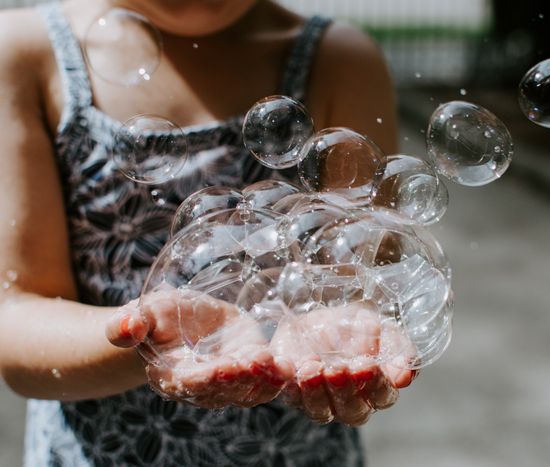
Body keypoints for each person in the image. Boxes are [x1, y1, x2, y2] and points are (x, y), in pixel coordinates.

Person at [0, 0, 413, 465]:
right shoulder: (26, 53)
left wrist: (348, 331)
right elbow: (14, 320)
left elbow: (366, 279)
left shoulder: (339, 61)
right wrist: (146, 340)